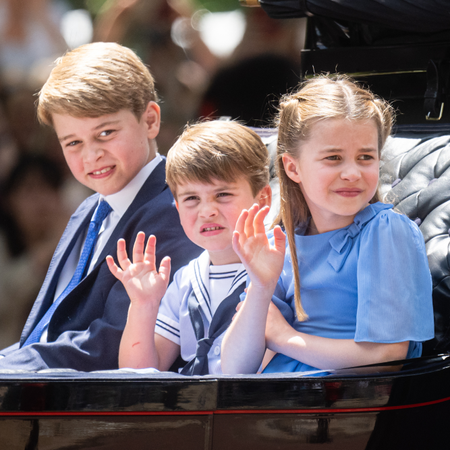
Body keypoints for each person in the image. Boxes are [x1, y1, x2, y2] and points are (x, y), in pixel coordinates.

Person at [0, 42, 201, 371]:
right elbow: (49, 332)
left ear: (150, 120)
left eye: (105, 133)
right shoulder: (89, 209)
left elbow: (110, 341)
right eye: (73, 143)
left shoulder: (175, 210)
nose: (91, 156)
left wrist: (11, 368)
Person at [221, 75, 435, 374]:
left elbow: (387, 356)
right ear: (293, 167)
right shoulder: (283, 242)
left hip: (339, 407)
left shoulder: (385, 231)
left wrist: (285, 337)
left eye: (365, 157)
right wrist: (261, 285)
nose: (352, 172)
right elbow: (233, 368)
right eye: (334, 158)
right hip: (275, 403)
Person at [106, 120, 271, 375]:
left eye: (223, 195)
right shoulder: (186, 280)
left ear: (263, 198)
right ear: (177, 206)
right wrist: (143, 305)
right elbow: (139, 373)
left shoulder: (280, 268)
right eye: (192, 198)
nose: (207, 211)